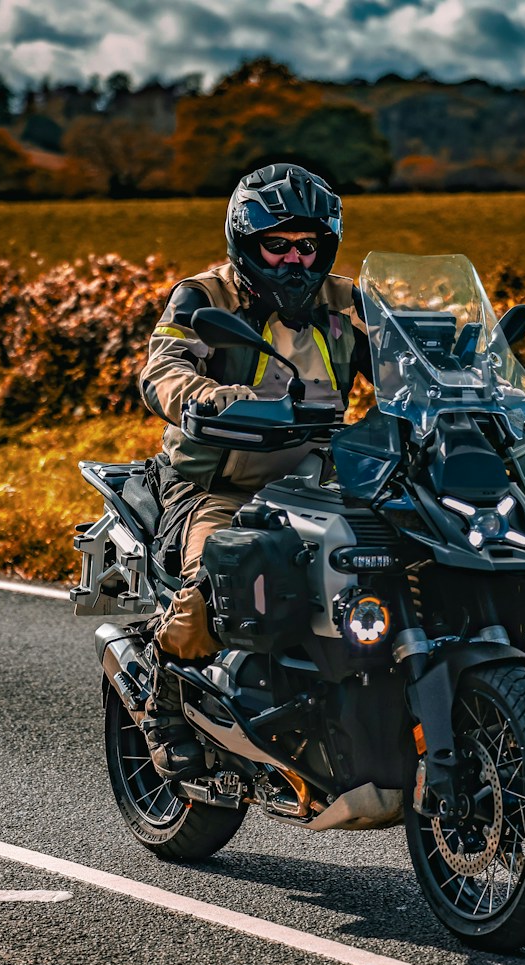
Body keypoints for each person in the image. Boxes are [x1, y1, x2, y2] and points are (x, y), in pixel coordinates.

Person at [136, 162, 371, 779]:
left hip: (322, 480)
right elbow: (161, 368)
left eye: (307, 246)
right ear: (246, 243)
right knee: (215, 584)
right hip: (218, 482)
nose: (295, 260)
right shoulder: (205, 297)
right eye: (278, 246)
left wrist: (464, 380)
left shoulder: (347, 301)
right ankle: (162, 697)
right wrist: (205, 397)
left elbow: (410, 357)